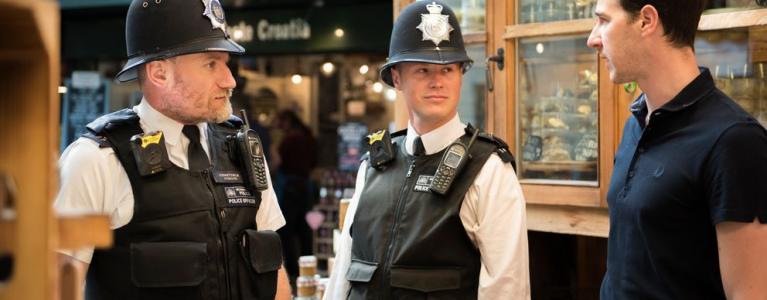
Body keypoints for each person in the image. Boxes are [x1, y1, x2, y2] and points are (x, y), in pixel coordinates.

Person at [54, 0, 291, 299]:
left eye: (226, 63)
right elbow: (54, 287)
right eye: (210, 64)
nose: (229, 80)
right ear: (159, 74)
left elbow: (273, 272)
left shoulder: (243, 150)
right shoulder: (95, 161)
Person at [324, 1, 530, 299]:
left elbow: (506, 288)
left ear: (461, 74)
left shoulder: (488, 169)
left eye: (447, 69)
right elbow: (342, 275)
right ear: (397, 78)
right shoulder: (373, 166)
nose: (437, 82)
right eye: (422, 70)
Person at [587, 0, 767, 298]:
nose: (593, 38)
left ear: (646, 20)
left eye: (604, 21)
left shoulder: (734, 141)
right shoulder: (636, 123)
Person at [272, 109, 317, 281]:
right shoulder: (308, 137)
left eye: (281, 122)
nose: (279, 126)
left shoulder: (289, 140)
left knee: (286, 230)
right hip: (305, 187)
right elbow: (314, 162)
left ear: (288, 121)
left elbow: (279, 163)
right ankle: (308, 269)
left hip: (290, 187)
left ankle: (291, 270)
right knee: (304, 230)